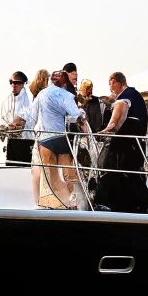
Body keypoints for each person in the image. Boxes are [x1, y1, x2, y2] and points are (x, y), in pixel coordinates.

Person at [94, 71, 148, 213]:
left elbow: (119, 115)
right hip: (135, 144)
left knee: (109, 168)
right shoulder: (135, 95)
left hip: (125, 144)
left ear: (115, 81)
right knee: (130, 174)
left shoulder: (125, 97)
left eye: (111, 83)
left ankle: (105, 203)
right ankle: (134, 203)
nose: (110, 87)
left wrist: (107, 130)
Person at [30, 69, 86, 208]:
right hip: (61, 139)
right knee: (70, 176)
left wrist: (31, 134)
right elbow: (74, 114)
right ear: (64, 83)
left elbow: (32, 116)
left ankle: (65, 204)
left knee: (53, 178)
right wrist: (81, 112)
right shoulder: (66, 95)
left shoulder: (42, 94)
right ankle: (76, 203)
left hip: (45, 141)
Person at [0, 70, 33, 167]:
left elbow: (28, 115)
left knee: (25, 169)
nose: (14, 85)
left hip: (26, 140)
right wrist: (3, 128)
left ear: (24, 84)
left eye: (17, 82)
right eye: (11, 82)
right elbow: (3, 118)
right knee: (10, 169)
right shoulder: (7, 100)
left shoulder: (29, 98)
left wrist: (17, 124)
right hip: (11, 141)